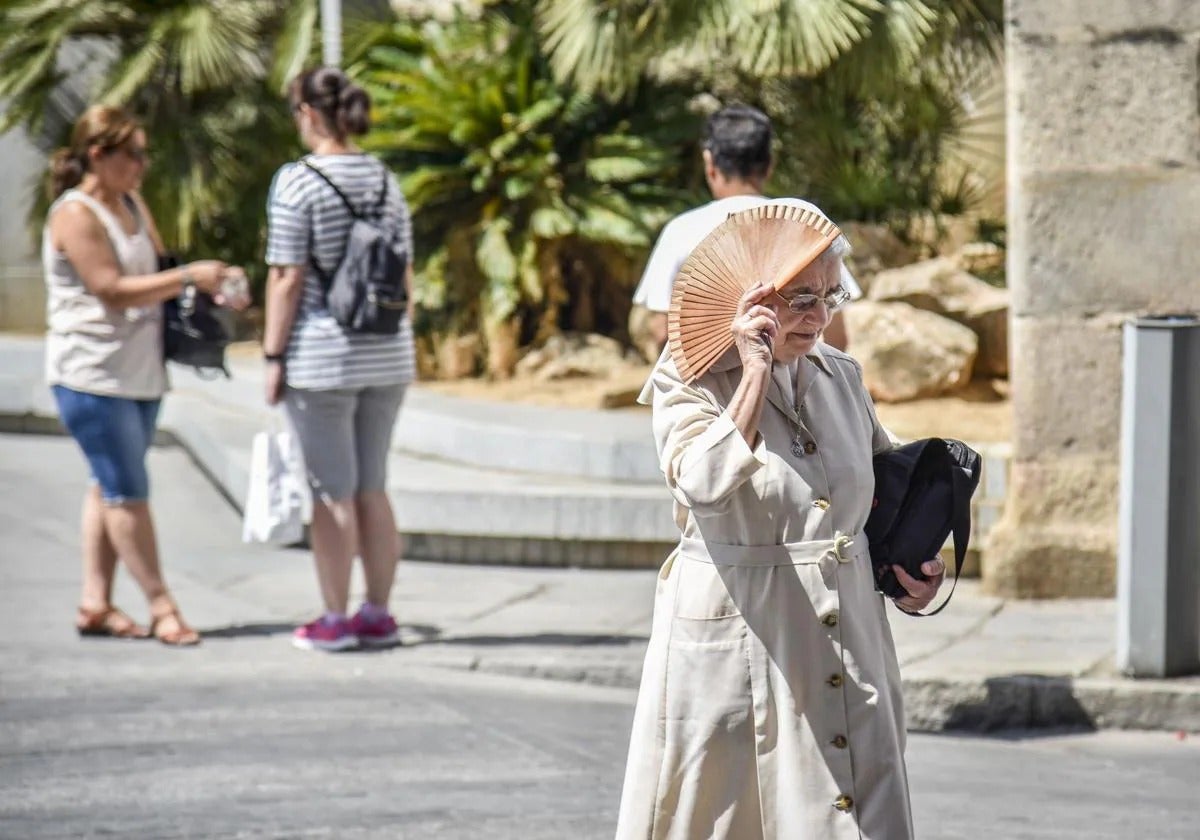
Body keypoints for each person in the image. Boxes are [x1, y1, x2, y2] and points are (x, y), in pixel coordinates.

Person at [613, 207, 945, 839]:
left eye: (829, 296)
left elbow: (880, 490)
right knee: (732, 812)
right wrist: (754, 371)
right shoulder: (688, 376)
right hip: (742, 631)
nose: (819, 318)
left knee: (854, 810)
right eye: (800, 299)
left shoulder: (840, 376)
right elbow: (701, 482)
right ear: (754, 298)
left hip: (847, 632)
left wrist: (911, 563)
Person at [44, 104, 247, 646]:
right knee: (127, 491)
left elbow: (158, 271)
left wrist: (210, 282)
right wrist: (186, 276)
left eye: (144, 154)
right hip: (91, 375)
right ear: (98, 155)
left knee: (107, 485)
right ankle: (162, 607)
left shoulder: (131, 204)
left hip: (140, 371)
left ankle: (95, 601)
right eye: (132, 154)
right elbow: (108, 287)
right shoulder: (76, 214)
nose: (142, 165)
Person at [262, 67, 416, 652]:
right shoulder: (385, 179)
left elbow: (286, 276)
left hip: (322, 356)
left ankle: (333, 618)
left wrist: (274, 355)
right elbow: (404, 273)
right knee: (372, 486)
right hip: (387, 352)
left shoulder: (296, 182)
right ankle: (377, 612)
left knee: (332, 491)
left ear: (306, 112)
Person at [629, 104, 861, 361]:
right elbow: (837, 332)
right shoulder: (800, 223)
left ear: (710, 163)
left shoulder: (682, 230)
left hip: (711, 391)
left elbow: (661, 329)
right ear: (769, 164)